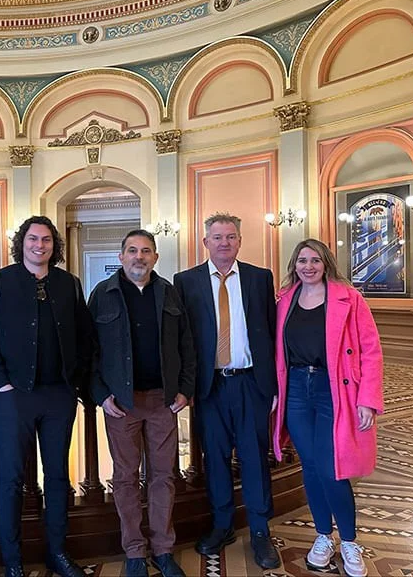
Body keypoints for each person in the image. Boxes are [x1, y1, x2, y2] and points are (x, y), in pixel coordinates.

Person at [0, 215, 93, 577]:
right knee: (10, 479)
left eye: (45, 240)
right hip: (15, 397)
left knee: (58, 476)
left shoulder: (69, 284)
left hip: (59, 396)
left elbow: (85, 337)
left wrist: (75, 383)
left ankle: (57, 553)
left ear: (53, 246)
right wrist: (2, 384)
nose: (39, 245)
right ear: (21, 243)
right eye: (32, 239)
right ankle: (12, 561)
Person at [173, 212, 281, 569]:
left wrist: (273, 385)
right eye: (217, 237)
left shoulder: (259, 278)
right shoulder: (185, 282)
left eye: (231, 236)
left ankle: (261, 530)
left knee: (253, 457)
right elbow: (182, 339)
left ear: (239, 241)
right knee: (215, 461)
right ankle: (222, 525)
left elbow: (270, 331)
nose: (224, 243)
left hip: (251, 383)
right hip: (210, 386)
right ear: (205, 242)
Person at [272, 239, 382, 577]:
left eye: (315, 260)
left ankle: (348, 541)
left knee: (332, 466)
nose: (308, 266)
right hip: (296, 392)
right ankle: (323, 535)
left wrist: (368, 399)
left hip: (333, 390)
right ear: (294, 265)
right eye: (302, 260)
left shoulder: (350, 299)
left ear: (326, 263)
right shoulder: (284, 300)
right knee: (310, 465)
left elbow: (371, 350)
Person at [88, 229, 195, 577]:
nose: (139, 257)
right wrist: (101, 395)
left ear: (155, 258)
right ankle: (134, 551)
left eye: (146, 251)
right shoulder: (102, 295)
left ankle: (163, 550)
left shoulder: (169, 293)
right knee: (125, 478)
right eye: (132, 251)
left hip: (163, 400)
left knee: (164, 476)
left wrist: (185, 389)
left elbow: (187, 346)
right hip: (122, 403)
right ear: (121, 257)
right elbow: (88, 352)